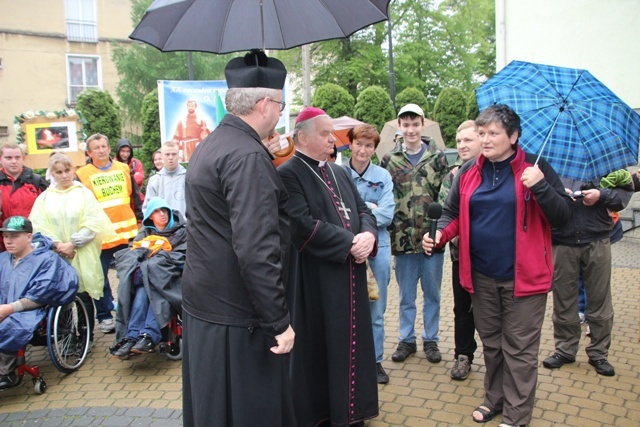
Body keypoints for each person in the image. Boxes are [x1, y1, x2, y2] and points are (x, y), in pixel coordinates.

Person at [422, 104, 572, 427]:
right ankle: (495, 398)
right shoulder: (468, 172)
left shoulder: (535, 166)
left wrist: (541, 187)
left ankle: (517, 416)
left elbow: (564, 217)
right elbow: (452, 214)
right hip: (481, 276)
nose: (485, 140)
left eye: (493, 133)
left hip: (524, 280)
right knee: (492, 344)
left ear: (513, 136)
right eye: (481, 133)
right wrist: (439, 236)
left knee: (519, 349)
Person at [181, 50, 295, 427]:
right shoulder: (247, 156)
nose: (280, 113)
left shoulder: (215, 143)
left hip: (206, 302)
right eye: (280, 104)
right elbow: (255, 249)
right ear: (264, 104)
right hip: (237, 313)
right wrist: (278, 320)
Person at [279, 107, 379, 427]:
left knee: (353, 346)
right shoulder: (288, 173)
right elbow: (301, 225)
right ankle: (324, 415)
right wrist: (349, 243)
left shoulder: (339, 171)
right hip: (317, 281)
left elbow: (363, 210)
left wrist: (367, 235)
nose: (332, 139)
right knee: (323, 347)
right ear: (303, 137)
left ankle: (353, 412)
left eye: (332, 133)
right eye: (325, 134)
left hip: (351, 274)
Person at [543, 169, 632, 377]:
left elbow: (623, 196)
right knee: (564, 298)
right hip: (562, 240)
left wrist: (601, 195)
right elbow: (538, 198)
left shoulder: (606, 162)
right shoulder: (552, 164)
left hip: (597, 239)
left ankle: (599, 353)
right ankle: (564, 349)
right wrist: (558, 196)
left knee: (600, 299)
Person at [380, 103, 448, 364]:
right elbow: (384, 196)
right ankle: (406, 339)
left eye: (415, 124)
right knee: (406, 295)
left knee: (433, 294)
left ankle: (431, 339)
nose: (410, 129)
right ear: (400, 127)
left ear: (423, 125)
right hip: (402, 239)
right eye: (405, 125)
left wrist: (442, 230)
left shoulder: (439, 157)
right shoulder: (389, 159)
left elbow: (446, 197)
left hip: (433, 240)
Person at [29, 153, 116, 346]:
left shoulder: (83, 194)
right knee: (61, 294)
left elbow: (93, 222)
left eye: (67, 170)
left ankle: (86, 336)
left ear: (73, 170)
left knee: (83, 293)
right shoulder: (45, 198)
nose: (64, 175)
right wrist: (57, 245)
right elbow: (39, 225)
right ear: (52, 173)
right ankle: (65, 335)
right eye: (59, 172)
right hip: (56, 254)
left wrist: (73, 243)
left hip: (81, 252)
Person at [0, 216, 78, 390]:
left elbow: (42, 294)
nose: (8, 241)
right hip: (4, 306)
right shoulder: (3, 259)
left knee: (11, 325)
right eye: (5, 237)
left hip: (32, 309)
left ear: (29, 237)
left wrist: (10, 308)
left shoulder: (46, 259)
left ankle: (6, 372)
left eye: (14, 236)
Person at [344, 124, 394, 384]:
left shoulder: (383, 176)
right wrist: (369, 208)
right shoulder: (337, 173)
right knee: (348, 307)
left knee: (376, 310)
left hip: (378, 249)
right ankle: (351, 360)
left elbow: (387, 214)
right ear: (350, 144)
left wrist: (360, 213)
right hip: (347, 249)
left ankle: (375, 362)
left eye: (369, 146)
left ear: (374, 149)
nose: (363, 150)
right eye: (359, 144)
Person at [75, 134, 139, 335]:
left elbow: (133, 197)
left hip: (125, 235)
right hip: (99, 238)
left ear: (110, 148)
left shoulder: (123, 168)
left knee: (130, 277)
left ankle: (129, 315)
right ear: (89, 152)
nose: (101, 150)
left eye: (104, 146)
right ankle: (104, 317)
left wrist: (139, 220)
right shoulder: (82, 174)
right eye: (96, 147)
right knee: (99, 280)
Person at [111, 197, 186, 359]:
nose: (162, 215)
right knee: (143, 288)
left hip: (171, 280)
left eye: (164, 210)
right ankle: (132, 336)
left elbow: (184, 255)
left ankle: (148, 335)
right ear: (150, 216)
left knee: (151, 286)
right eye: (156, 212)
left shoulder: (182, 232)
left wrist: (157, 260)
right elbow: (131, 254)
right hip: (147, 280)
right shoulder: (145, 232)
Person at [437, 120, 482, 381]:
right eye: (459, 141)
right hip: (460, 254)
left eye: (468, 140)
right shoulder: (454, 176)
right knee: (462, 309)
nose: (462, 145)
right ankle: (463, 355)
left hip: (490, 257)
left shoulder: (495, 174)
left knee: (491, 312)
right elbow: (447, 211)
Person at [0, 143, 48, 249]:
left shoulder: (36, 181)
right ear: (1, 159)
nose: (14, 161)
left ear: (23, 158)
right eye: (8, 158)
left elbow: (48, 212)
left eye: (17, 157)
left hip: (34, 242)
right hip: (4, 244)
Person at [143, 141, 186, 219]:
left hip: (185, 228)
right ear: (162, 156)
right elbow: (148, 209)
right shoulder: (154, 181)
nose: (170, 157)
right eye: (167, 154)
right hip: (163, 229)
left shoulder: (188, 178)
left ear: (179, 156)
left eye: (174, 154)